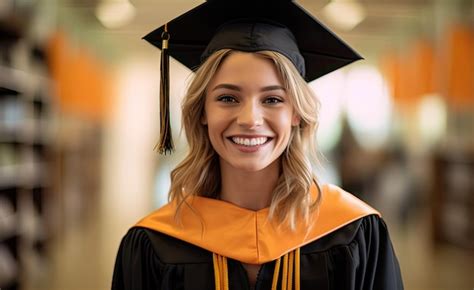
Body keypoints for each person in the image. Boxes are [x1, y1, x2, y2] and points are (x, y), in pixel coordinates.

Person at [112, 1, 404, 289]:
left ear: (296, 114)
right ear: (201, 111)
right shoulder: (153, 243)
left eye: (273, 99)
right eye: (228, 98)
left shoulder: (354, 232)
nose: (250, 119)